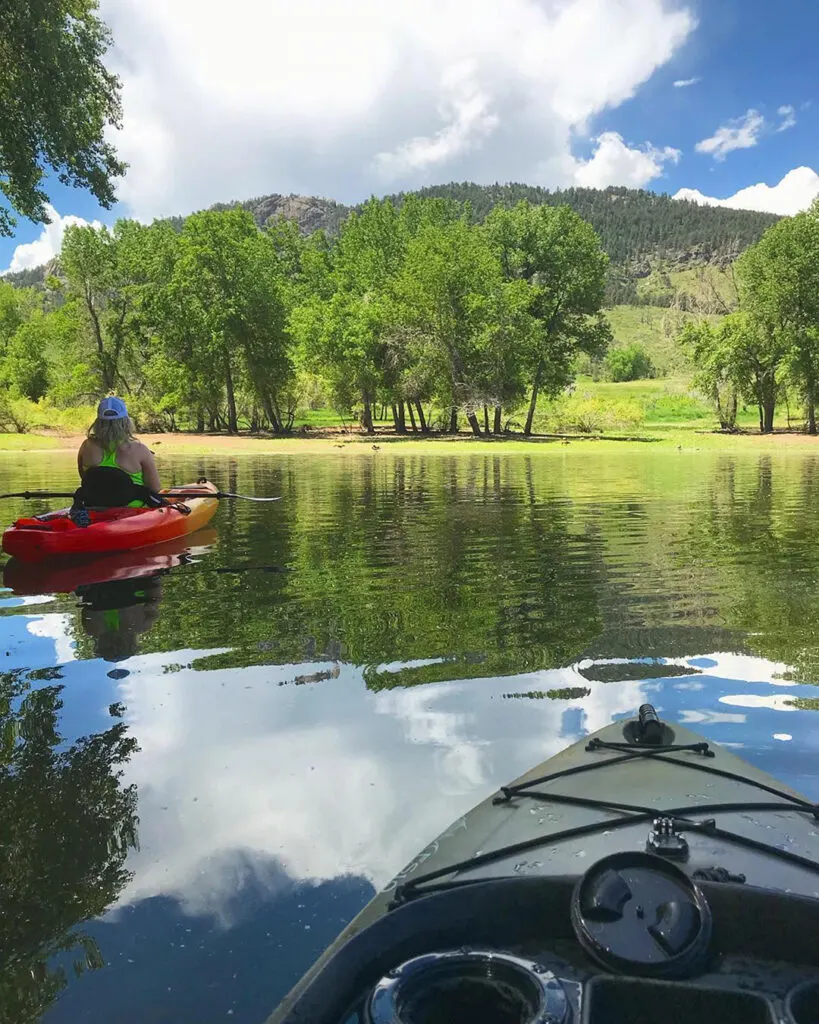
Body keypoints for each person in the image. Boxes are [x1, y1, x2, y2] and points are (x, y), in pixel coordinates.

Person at [77, 396, 162, 507]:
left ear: (98, 422)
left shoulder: (86, 446)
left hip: (95, 508)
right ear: (126, 422)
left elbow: (86, 479)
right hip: (133, 512)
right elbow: (155, 488)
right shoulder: (140, 450)